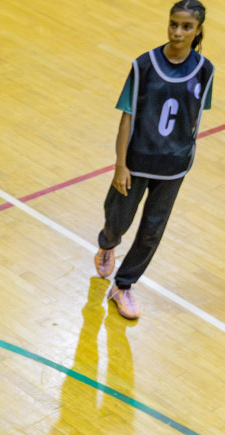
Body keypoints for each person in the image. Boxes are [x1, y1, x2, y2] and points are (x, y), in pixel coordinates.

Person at [95, 1, 213, 320]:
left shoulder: (206, 70)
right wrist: (121, 164)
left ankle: (124, 284)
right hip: (136, 162)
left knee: (152, 229)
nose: (177, 32)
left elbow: (194, 119)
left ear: (198, 30)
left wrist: (184, 154)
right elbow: (127, 117)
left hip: (174, 166)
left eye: (186, 27)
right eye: (173, 24)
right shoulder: (143, 66)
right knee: (118, 218)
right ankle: (107, 243)